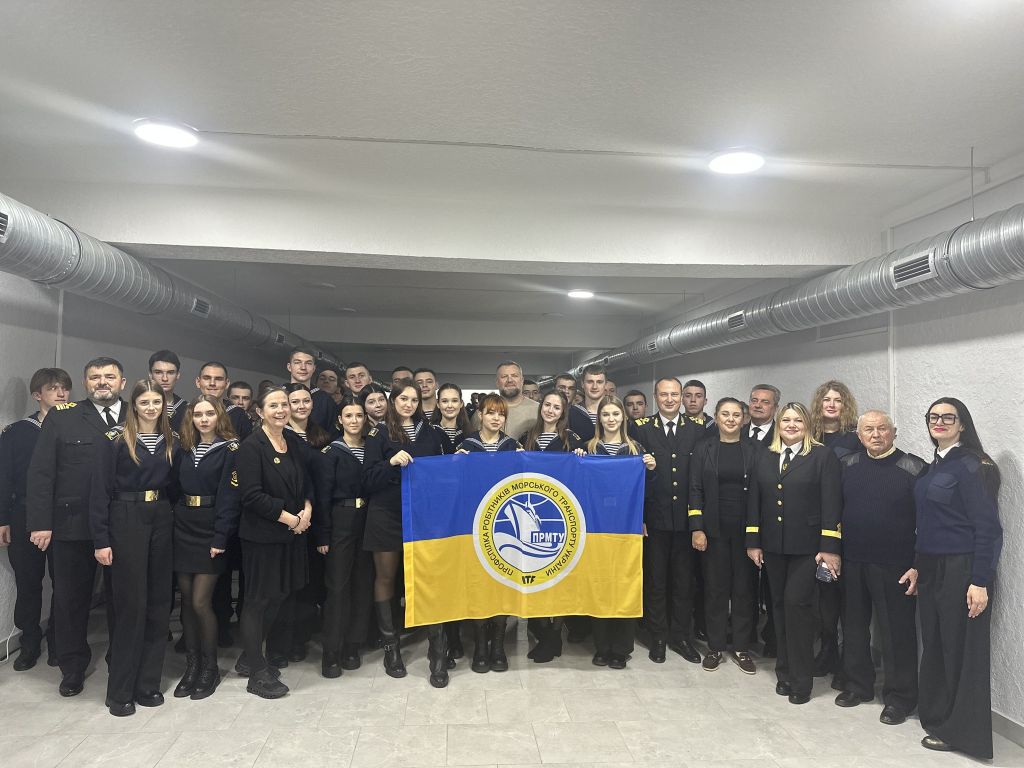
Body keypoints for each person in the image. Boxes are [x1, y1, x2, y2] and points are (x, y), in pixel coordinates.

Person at [27, 356, 126, 698]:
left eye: (109, 376)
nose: (103, 382)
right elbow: (41, 473)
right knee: (70, 599)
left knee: (123, 598)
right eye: (95, 377)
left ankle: (121, 659)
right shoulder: (63, 416)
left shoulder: (139, 415)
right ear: (86, 384)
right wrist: (41, 522)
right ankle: (72, 666)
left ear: (122, 383)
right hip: (72, 525)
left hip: (124, 525)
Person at [914, 398, 1002, 759]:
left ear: (962, 424)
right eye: (933, 417)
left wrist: (979, 581)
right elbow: (930, 524)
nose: (939, 422)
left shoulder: (974, 467)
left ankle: (963, 733)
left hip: (963, 571)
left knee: (961, 650)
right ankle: (937, 715)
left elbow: (989, 529)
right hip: (933, 568)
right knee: (936, 643)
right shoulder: (936, 464)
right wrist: (918, 564)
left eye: (947, 417)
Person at [91, 379, 180, 716]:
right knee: (132, 605)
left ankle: (147, 684)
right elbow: (97, 492)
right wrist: (101, 539)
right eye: (144, 402)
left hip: (160, 516)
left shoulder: (172, 441)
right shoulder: (115, 439)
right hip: (124, 516)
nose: (151, 408)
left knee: (159, 604)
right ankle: (120, 691)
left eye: (157, 402)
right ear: (134, 405)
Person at [746, 402, 842, 705]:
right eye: (786, 420)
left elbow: (831, 503)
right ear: (778, 423)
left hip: (808, 548)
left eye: (797, 420)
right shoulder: (765, 454)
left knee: (796, 607)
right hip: (773, 546)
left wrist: (829, 547)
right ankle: (784, 672)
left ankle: (802, 679)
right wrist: (753, 540)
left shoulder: (821, 456)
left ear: (807, 424)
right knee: (777, 607)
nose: (791, 425)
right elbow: (755, 501)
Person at [834, 410, 925, 724]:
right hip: (853, 561)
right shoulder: (846, 466)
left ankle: (901, 699)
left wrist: (917, 564)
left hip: (896, 566)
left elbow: (927, 524)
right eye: (869, 430)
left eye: (882, 429)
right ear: (859, 436)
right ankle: (858, 686)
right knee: (855, 628)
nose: (876, 435)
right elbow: (833, 512)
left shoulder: (914, 468)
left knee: (896, 634)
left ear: (894, 432)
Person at [362, 380, 453, 687]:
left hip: (425, 516)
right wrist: (390, 463)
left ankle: (438, 653)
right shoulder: (377, 434)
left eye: (414, 399)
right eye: (403, 398)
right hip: (386, 514)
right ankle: (392, 648)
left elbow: (449, 472)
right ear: (392, 400)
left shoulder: (434, 433)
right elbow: (367, 479)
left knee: (430, 580)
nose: (409, 404)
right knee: (385, 578)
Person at [233, 386, 313, 699]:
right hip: (263, 536)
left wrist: (307, 508)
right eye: (274, 405)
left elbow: (306, 479)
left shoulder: (292, 440)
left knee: (279, 593)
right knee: (258, 600)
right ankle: (256, 672)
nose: (281, 410)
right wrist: (291, 520)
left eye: (284, 405)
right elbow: (251, 496)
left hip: (292, 532)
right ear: (259, 411)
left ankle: (248, 657)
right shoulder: (251, 447)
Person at [0, 367, 71, 670]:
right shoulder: (17, 432)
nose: (60, 393)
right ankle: (29, 641)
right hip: (24, 515)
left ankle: (58, 641)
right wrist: (3, 517)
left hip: (64, 516)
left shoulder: (75, 428)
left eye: (64, 388)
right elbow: (4, 476)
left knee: (64, 584)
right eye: (53, 388)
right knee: (29, 584)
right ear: (37, 394)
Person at [171, 395, 240, 701]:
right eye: (197, 414)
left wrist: (220, 537)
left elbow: (230, 497)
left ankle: (210, 668)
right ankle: (192, 665)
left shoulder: (230, 449)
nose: (203, 419)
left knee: (201, 602)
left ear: (218, 416)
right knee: (186, 601)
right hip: (183, 525)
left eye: (209, 413)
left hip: (211, 526)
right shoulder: (183, 448)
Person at [630, 377, 702, 665]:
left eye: (675, 394)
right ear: (655, 396)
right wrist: (641, 517)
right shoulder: (641, 428)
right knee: (656, 580)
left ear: (682, 397)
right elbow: (636, 479)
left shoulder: (697, 431)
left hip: (685, 519)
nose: (670, 399)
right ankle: (657, 635)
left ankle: (681, 636)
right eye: (664, 394)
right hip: (655, 518)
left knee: (684, 582)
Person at [581, 396, 655, 669]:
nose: (611, 419)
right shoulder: (587, 448)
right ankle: (602, 646)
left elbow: (646, 493)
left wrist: (651, 469)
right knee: (600, 584)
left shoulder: (636, 449)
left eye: (615, 414)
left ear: (623, 417)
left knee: (625, 583)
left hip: (627, 526)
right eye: (606, 414)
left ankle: (622, 648)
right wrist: (577, 461)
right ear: (598, 418)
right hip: (596, 527)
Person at [688, 397, 758, 674]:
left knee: (744, 590)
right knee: (715, 590)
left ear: (744, 419)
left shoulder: (755, 450)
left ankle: (741, 647)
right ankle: (715, 646)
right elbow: (695, 489)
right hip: (713, 531)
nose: (730, 419)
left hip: (746, 532)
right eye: (725, 414)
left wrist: (757, 535)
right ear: (715, 417)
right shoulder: (703, 448)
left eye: (736, 415)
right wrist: (697, 528)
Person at [456, 394, 521, 673]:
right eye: (491, 413)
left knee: (502, 582)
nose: (496, 418)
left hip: (503, 527)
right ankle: (481, 644)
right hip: (474, 525)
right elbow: (455, 485)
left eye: (501, 414)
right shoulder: (466, 447)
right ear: (480, 415)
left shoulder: (513, 447)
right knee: (480, 583)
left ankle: (498, 645)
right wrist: (454, 464)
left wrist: (526, 463)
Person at [519, 390, 582, 663]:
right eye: (547, 405)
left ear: (563, 411)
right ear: (540, 407)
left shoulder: (573, 440)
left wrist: (581, 457)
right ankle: (542, 630)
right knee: (534, 573)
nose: (551, 410)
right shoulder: (526, 437)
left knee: (558, 577)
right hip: (532, 515)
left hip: (559, 516)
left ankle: (555, 634)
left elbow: (581, 475)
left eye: (557, 407)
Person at [314, 395, 373, 677]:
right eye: (348, 416)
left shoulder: (373, 448)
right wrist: (323, 535)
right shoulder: (331, 452)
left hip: (368, 520)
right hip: (340, 519)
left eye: (359, 416)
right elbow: (322, 497)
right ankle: (332, 651)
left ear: (365, 420)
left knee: (363, 584)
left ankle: (353, 645)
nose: (354, 421)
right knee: (338, 587)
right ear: (340, 420)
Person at [808, 380, 861, 682]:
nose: (831, 404)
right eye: (826, 399)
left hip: (845, 526)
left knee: (847, 600)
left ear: (845, 405)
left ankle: (846, 662)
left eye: (837, 400)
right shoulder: (809, 437)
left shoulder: (854, 440)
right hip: (814, 526)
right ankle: (827, 651)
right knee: (822, 597)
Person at [472, 361, 540, 439]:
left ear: (522, 381)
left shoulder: (539, 410)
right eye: (504, 376)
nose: (510, 380)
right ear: (497, 382)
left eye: (514, 376)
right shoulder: (482, 412)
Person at [195, 362, 252, 440]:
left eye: (218, 379)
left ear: (227, 384)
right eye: (207, 378)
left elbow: (246, 450)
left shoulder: (238, 415)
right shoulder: (187, 412)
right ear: (198, 382)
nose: (212, 383)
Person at [285, 348, 335, 431]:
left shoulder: (325, 400)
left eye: (308, 363)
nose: (303, 367)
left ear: (314, 368)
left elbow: (332, 433)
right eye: (297, 362)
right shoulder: (278, 396)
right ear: (289, 367)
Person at [149, 350, 188, 432]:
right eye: (158, 372)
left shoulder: (187, 409)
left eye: (170, 373)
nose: (165, 378)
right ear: (150, 375)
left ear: (178, 375)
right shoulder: (139, 407)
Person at [568, 364, 607, 442]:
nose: (594, 387)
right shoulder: (571, 413)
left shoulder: (617, 413)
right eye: (590, 382)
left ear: (605, 384)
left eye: (599, 382)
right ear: (582, 384)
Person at [433, 382, 472, 448]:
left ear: (461, 403)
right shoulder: (429, 431)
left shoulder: (470, 434)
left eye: (454, 401)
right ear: (438, 404)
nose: (450, 405)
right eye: (445, 401)